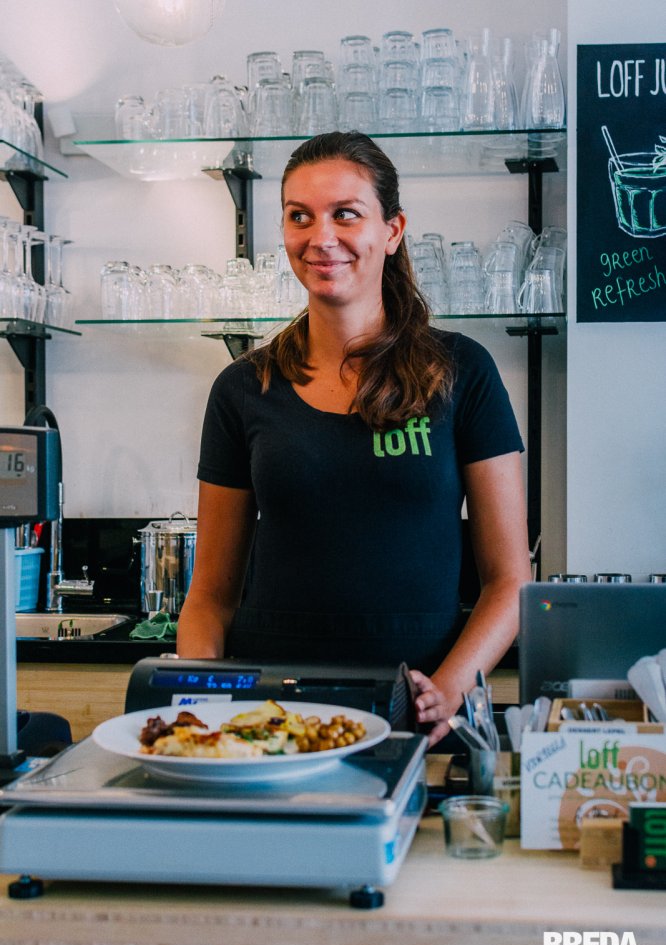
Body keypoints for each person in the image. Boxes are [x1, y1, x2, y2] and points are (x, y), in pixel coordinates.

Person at [177, 131, 532, 746]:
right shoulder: (243, 388)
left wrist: (444, 692)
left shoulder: (461, 372)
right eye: (299, 216)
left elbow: (510, 579)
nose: (321, 237)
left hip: (417, 710)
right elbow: (210, 595)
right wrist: (199, 707)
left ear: (392, 231)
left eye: (345, 214)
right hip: (270, 715)